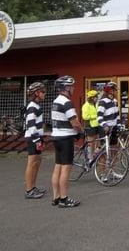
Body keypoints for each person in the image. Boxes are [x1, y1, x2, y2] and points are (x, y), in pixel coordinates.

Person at [51, 75, 83, 208]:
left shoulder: (55, 101)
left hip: (56, 137)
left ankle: (56, 197)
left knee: (57, 167)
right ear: (65, 88)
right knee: (66, 169)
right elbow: (74, 122)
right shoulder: (67, 102)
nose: (73, 88)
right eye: (71, 86)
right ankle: (64, 199)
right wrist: (81, 131)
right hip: (66, 138)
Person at [24, 82, 47, 199]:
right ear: (36, 93)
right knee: (32, 163)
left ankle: (33, 187)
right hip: (33, 138)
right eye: (42, 92)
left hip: (37, 137)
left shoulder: (37, 105)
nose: (45, 94)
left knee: (37, 162)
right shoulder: (32, 106)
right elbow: (30, 125)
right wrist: (37, 139)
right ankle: (29, 190)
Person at [81, 90, 101, 162]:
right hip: (89, 125)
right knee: (91, 142)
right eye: (96, 97)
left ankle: (96, 153)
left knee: (99, 141)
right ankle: (90, 158)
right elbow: (85, 116)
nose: (97, 98)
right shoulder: (86, 105)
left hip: (96, 125)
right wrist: (96, 116)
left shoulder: (95, 104)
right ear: (92, 97)